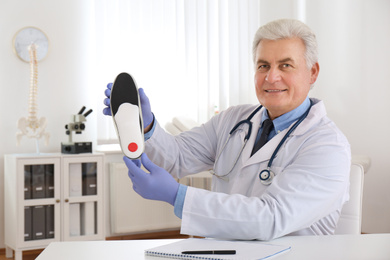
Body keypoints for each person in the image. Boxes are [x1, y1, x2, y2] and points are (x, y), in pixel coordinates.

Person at [103, 19, 351, 241]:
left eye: (285, 65)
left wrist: (178, 196)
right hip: (224, 252)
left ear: (313, 72)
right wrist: (146, 126)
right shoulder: (234, 119)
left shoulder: (328, 146)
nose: (271, 77)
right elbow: (176, 157)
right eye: (263, 65)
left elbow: (270, 218)